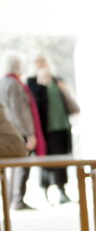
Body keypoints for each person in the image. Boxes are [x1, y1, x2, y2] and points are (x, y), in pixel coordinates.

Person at [27, 53, 78, 204]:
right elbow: (35, 105)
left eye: (42, 60)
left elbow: (68, 101)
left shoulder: (57, 80)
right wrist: (42, 85)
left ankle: (62, 191)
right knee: (47, 161)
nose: (40, 63)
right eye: (37, 61)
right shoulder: (32, 82)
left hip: (62, 126)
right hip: (46, 129)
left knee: (62, 160)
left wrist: (64, 89)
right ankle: (46, 191)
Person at [0, 52, 46, 210]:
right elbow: (18, 111)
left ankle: (13, 198)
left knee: (14, 167)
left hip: (12, 130)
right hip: (19, 131)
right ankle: (18, 199)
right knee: (22, 165)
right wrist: (29, 134)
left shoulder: (4, 82)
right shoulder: (14, 83)